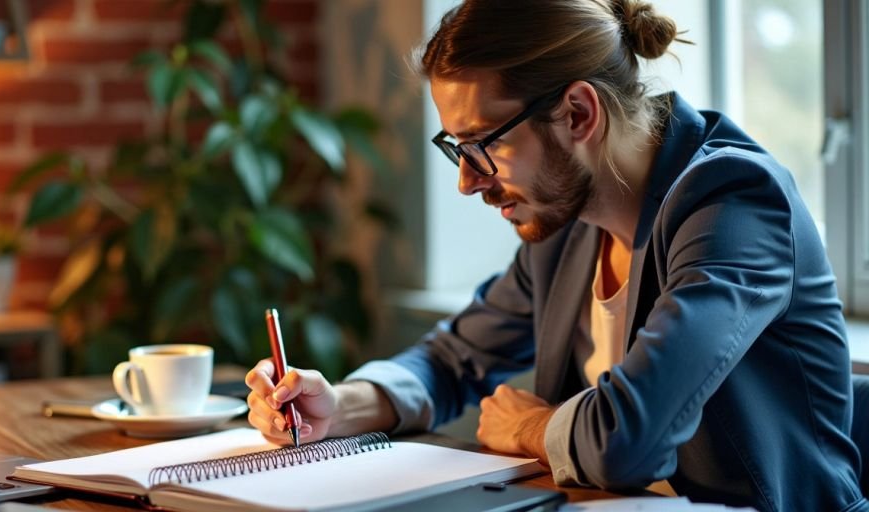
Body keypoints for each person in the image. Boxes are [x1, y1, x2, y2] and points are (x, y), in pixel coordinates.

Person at [244, 1, 868, 510]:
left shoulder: (733, 203)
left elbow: (630, 438)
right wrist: (335, 407)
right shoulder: (567, 222)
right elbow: (454, 359)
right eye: (454, 147)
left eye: (482, 145)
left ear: (577, 113)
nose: (467, 180)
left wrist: (528, 429)